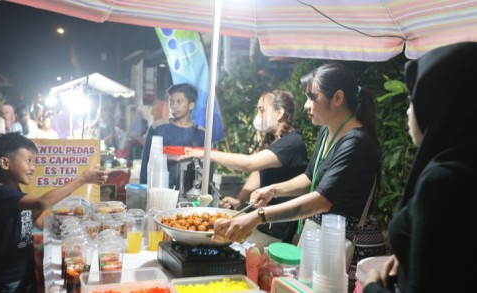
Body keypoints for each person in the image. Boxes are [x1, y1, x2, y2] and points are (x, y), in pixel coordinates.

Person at [213, 62, 386, 292]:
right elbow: (308, 178)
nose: (307, 105)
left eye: (313, 98)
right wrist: (273, 190)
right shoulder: (327, 131)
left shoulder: (356, 143)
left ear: (338, 98)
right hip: (325, 240)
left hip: (351, 246)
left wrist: (259, 216)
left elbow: (322, 200)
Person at [362, 42, 477, 293]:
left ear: (442, 104)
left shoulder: (443, 183)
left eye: (414, 99)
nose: (408, 111)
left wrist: (371, 285)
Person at [0, 132, 109, 292]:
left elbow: (36, 220)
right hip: (6, 278)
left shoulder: (15, 190)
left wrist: (68, 220)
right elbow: (41, 203)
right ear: (5, 163)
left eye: (34, 162)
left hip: (23, 271)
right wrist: (81, 179)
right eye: (28, 161)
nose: (33, 167)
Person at [181, 89, 308, 245]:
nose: (258, 115)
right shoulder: (275, 139)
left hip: (278, 226)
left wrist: (204, 153)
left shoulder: (292, 143)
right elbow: (259, 171)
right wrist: (239, 199)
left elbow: (249, 163)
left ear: (279, 113)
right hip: (263, 221)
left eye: (262, 110)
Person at [140, 83, 206, 190]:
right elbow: (146, 163)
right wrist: (144, 190)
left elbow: (206, 169)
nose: (174, 106)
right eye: (172, 101)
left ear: (191, 105)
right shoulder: (158, 128)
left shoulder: (202, 134)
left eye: (179, 101)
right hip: (161, 193)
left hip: (191, 195)